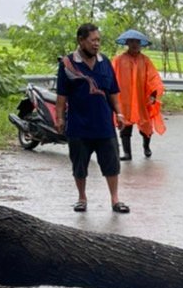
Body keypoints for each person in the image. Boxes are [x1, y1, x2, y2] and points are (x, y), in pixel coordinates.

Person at [54, 23, 130, 214]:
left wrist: (119, 113)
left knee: (111, 163)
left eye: (99, 40)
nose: (97, 44)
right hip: (79, 125)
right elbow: (61, 96)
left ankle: (115, 199)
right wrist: (60, 118)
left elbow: (113, 92)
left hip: (104, 124)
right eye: (93, 40)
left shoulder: (105, 63)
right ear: (81, 40)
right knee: (79, 164)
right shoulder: (68, 64)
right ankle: (82, 198)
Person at [111, 28, 164, 160]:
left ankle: (146, 147)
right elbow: (110, 77)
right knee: (124, 126)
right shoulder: (118, 60)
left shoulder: (145, 61)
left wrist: (153, 94)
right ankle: (127, 153)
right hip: (124, 99)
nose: (134, 44)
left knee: (145, 125)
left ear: (141, 44)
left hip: (142, 99)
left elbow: (153, 78)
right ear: (127, 43)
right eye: (131, 41)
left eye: (137, 42)